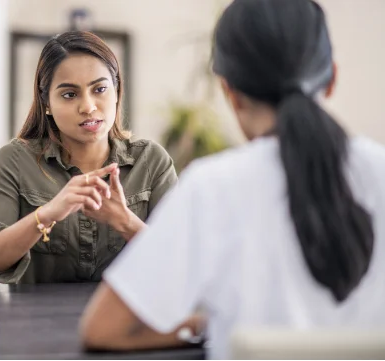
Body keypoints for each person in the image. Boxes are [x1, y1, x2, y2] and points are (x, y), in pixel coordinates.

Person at [79, 0, 385, 358]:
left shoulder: (211, 188)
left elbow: (103, 329)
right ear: (331, 78)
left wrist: (210, 324)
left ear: (230, 92)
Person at [0, 31, 177, 287]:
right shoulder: (15, 161)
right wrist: (46, 214)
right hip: (38, 323)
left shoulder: (151, 161)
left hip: (128, 324)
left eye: (100, 89)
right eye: (70, 94)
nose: (88, 106)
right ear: (46, 103)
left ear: (117, 92)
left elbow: (184, 266)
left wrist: (123, 220)